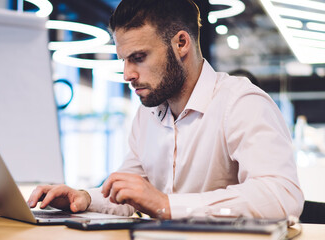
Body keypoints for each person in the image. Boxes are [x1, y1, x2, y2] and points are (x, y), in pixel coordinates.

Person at [27, 0, 304, 219]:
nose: (127, 74)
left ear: (181, 43)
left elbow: (282, 195)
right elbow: (129, 192)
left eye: (138, 57)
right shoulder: (147, 114)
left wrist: (167, 205)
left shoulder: (242, 103)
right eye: (124, 60)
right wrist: (83, 197)